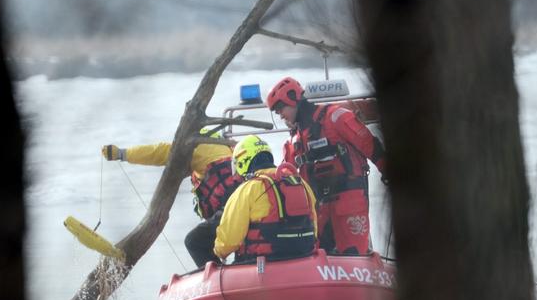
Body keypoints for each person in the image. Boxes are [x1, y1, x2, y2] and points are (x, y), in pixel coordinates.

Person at [266, 77, 386, 256]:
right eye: (276, 112)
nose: (280, 115)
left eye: (280, 109)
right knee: (320, 254)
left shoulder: (336, 117)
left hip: (349, 202)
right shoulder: (294, 141)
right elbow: (285, 177)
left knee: (354, 254)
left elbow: (369, 144)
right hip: (318, 209)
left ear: (292, 99)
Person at [102, 127, 243, 267]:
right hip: (245, 203)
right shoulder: (230, 148)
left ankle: (217, 279)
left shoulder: (191, 146)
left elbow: (159, 152)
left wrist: (122, 154)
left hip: (230, 208)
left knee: (194, 242)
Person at [213, 135, 317, 263]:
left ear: (242, 161)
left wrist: (218, 251)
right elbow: (314, 227)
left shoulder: (248, 189)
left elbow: (228, 242)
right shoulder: (302, 184)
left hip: (261, 265)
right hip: (303, 260)